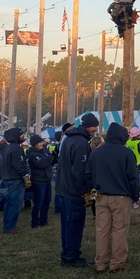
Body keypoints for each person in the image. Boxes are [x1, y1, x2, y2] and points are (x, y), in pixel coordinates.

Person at [87, 122, 140, 273]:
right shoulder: (126, 153)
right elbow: (132, 177)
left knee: (102, 230)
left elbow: (88, 174)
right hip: (120, 197)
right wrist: (135, 196)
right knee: (119, 229)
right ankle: (117, 263)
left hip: (101, 196)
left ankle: (100, 263)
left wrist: (92, 190)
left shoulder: (97, 152)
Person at [55, 114, 99, 268]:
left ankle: (66, 254)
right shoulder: (81, 143)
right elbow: (80, 171)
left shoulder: (68, 139)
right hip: (74, 192)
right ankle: (72, 257)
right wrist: (85, 191)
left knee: (66, 224)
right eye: (94, 126)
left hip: (64, 188)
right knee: (74, 225)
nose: (95, 129)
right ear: (87, 126)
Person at [27, 134, 53, 229]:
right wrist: (49, 158)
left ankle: (43, 220)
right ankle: (34, 222)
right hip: (38, 181)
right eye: (39, 142)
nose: (42, 144)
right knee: (38, 202)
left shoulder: (43, 151)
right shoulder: (33, 154)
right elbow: (42, 164)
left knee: (47, 200)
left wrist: (49, 157)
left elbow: (50, 159)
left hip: (46, 180)